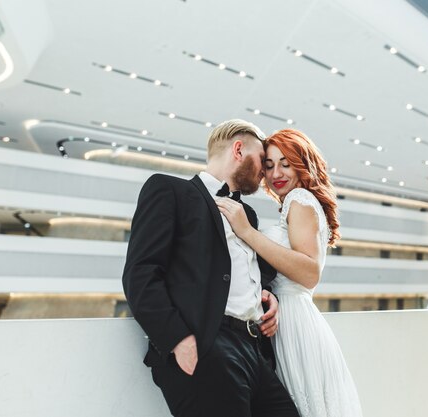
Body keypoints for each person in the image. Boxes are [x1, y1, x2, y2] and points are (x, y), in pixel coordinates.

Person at [122, 119, 300, 417]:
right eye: (262, 160)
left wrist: (268, 295)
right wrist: (178, 339)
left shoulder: (249, 216)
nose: (266, 172)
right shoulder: (169, 190)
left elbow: (241, 272)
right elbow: (141, 273)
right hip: (207, 348)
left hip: (254, 350)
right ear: (239, 149)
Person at [217, 128, 363, 417]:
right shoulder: (293, 204)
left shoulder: (300, 199)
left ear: (302, 163)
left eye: (286, 162)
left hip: (295, 323)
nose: (276, 173)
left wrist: (245, 231)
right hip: (288, 319)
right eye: (269, 165)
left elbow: (309, 272)